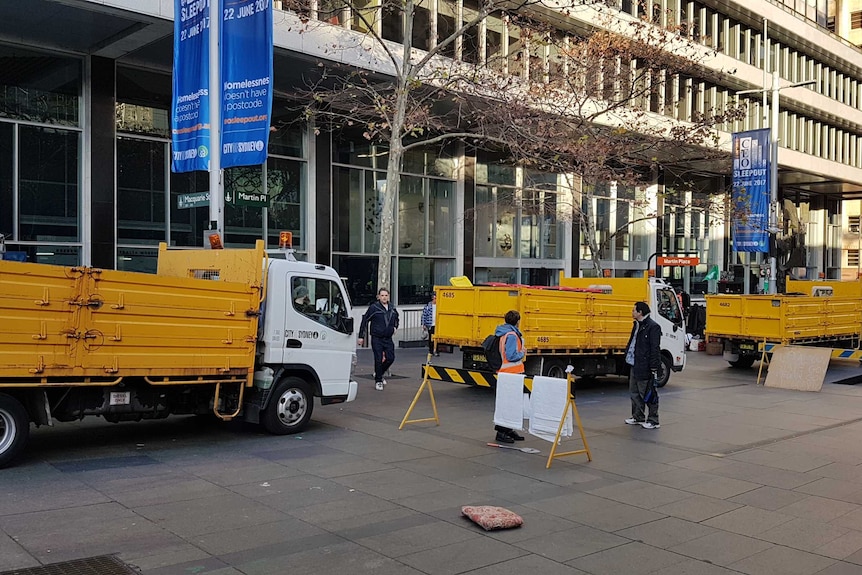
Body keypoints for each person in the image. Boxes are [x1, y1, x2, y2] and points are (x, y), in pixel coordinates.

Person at [624, 301, 662, 429]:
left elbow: (654, 348)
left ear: (640, 312)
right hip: (634, 362)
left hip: (645, 365)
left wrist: (654, 367)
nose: (632, 312)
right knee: (634, 392)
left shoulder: (652, 327)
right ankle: (637, 416)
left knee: (648, 392)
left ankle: (653, 420)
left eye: (634, 310)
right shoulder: (637, 325)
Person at [493, 310, 527, 444]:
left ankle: (508, 430)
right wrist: (522, 353)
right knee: (509, 404)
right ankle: (502, 432)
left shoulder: (504, 332)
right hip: (511, 374)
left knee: (509, 403)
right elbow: (511, 356)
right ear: (517, 321)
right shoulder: (512, 335)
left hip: (506, 373)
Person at [357, 288, 399, 391]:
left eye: (386, 295)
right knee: (378, 358)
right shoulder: (374, 308)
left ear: (388, 296)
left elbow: (396, 319)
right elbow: (365, 320)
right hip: (377, 338)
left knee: (390, 358)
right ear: (378, 297)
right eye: (382, 295)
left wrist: (395, 327)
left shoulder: (392, 308)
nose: (384, 297)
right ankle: (378, 380)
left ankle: (379, 372)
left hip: (388, 338)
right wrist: (361, 336)